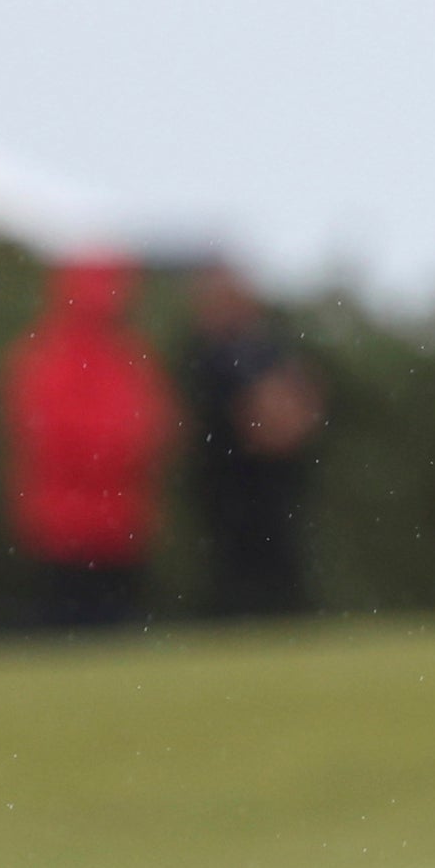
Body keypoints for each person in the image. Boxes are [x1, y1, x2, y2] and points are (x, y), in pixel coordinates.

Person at [0, 254, 165, 632]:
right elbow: (53, 437)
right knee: (72, 629)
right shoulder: (53, 358)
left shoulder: (122, 355)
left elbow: (155, 425)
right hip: (69, 527)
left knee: (108, 630)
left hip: (115, 523)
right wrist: (121, 448)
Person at [174, 261, 326, 619]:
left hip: (272, 485)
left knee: (279, 564)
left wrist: (284, 420)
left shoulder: (269, 347)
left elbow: (301, 403)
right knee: (231, 572)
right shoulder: (200, 355)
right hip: (226, 486)